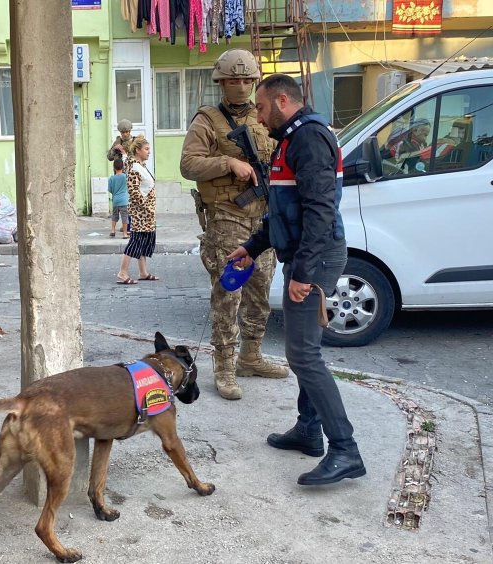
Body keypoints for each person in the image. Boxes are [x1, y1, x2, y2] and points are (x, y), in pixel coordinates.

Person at [227, 73, 366, 486]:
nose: (258, 114)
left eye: (263, 106)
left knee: (303, 354)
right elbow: (286, 210)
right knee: (306, 350)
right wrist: (251, 248)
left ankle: (345, 449)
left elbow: (320, 210)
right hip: (309, 253)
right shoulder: (291, 138)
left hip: (317, 257)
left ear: (283, 101)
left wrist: (303, 274)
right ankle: (309, 429)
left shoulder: (307, 138)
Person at [179, 48, 288, 401]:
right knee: (228, 293)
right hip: (227, 216)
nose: (240, 86)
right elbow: (188, 165)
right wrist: (227, 162)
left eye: (246, 80)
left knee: (260, 292)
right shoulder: (207, 121)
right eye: (233, 80)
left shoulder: (265, 117)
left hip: (263, 217)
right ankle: (224, 367)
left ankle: (251, 357)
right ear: (221, 82)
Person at [116, 136, 158, 285]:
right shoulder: (134, 167)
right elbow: (133, 190)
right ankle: (122, 273)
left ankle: (143, 272)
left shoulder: (140, 164)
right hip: (140, 212)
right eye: (146, 149)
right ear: (138, 150)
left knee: (145, 241)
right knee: (136, 241)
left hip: (146, 212)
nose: (149, 152)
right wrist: (146, 207)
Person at [108, 159, 129, 239]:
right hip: (124, 200)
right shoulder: (125, 177)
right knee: (124, 217)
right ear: (123, 167)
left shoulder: (111, 178)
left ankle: (113, 230)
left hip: (115, 201)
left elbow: (110, 189)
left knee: (114, 216)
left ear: (114, 167)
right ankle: (124, 234)